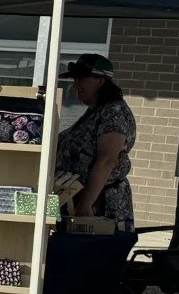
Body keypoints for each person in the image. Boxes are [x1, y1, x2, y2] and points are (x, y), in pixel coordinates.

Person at [58, 53, 137, 229]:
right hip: (76, 201)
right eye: (75, 79)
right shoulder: (96, 111)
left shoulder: (114, 113)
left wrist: (86, 204)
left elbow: (107, 160)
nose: (75, 85)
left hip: (100, 206)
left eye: (81, 79)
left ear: (100, 81)